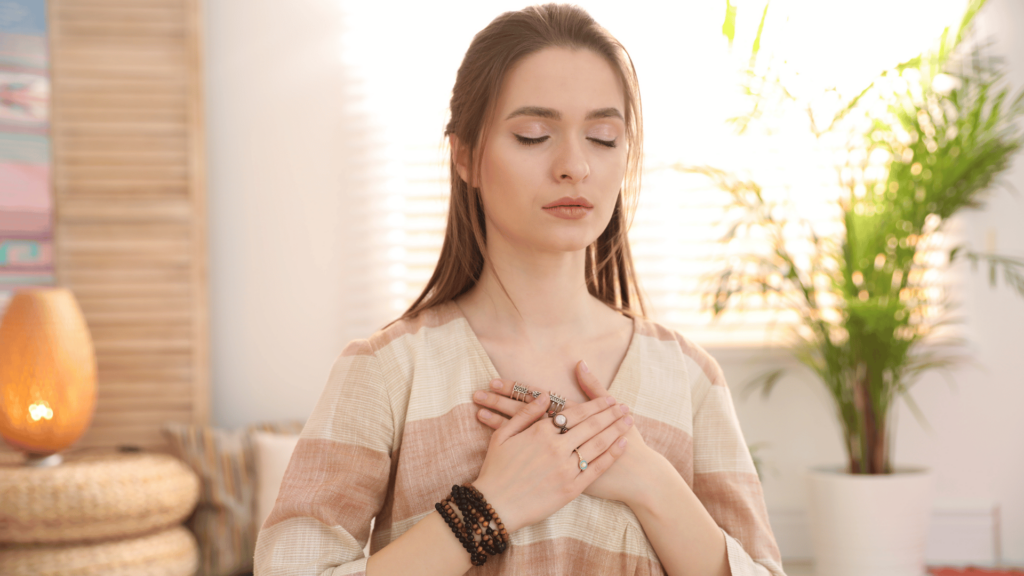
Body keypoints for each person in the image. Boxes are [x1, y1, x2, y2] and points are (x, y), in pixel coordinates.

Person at [254, 4, 785, 575]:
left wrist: (647, 478)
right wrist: (486, 508)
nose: (575, 165)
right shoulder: (387, 371)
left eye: (603, 138)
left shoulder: (687, 378)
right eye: (534, 135)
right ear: (465, 156)